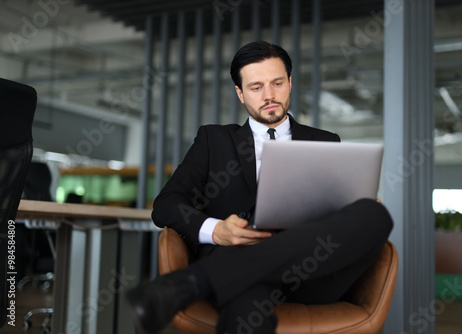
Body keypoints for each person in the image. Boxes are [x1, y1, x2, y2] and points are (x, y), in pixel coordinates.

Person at [126, 40, 393, 334]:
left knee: (374, 214)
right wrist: (215, 230)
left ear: (290, 83)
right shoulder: (214, 141)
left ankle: (194, 282)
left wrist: (353, 208)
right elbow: (166, 204)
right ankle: (216, 277)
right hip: (241, 271)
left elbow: (341, 212)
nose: (269, 96)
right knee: (245, 306)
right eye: (256, 87)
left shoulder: (326, 140)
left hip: (310, 271)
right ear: (240, 93)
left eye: (277, 83)